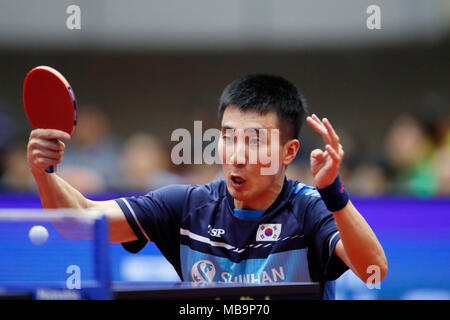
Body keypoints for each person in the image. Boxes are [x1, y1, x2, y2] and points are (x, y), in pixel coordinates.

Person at [26, 74, 387, 299]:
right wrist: (45, 171)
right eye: (229, 138)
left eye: (255, 141)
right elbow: (77, 221)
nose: (238, 155)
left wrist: (334, 194)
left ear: (289, 151)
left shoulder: (309, 210)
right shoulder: (188, 207)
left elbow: (373, 270)